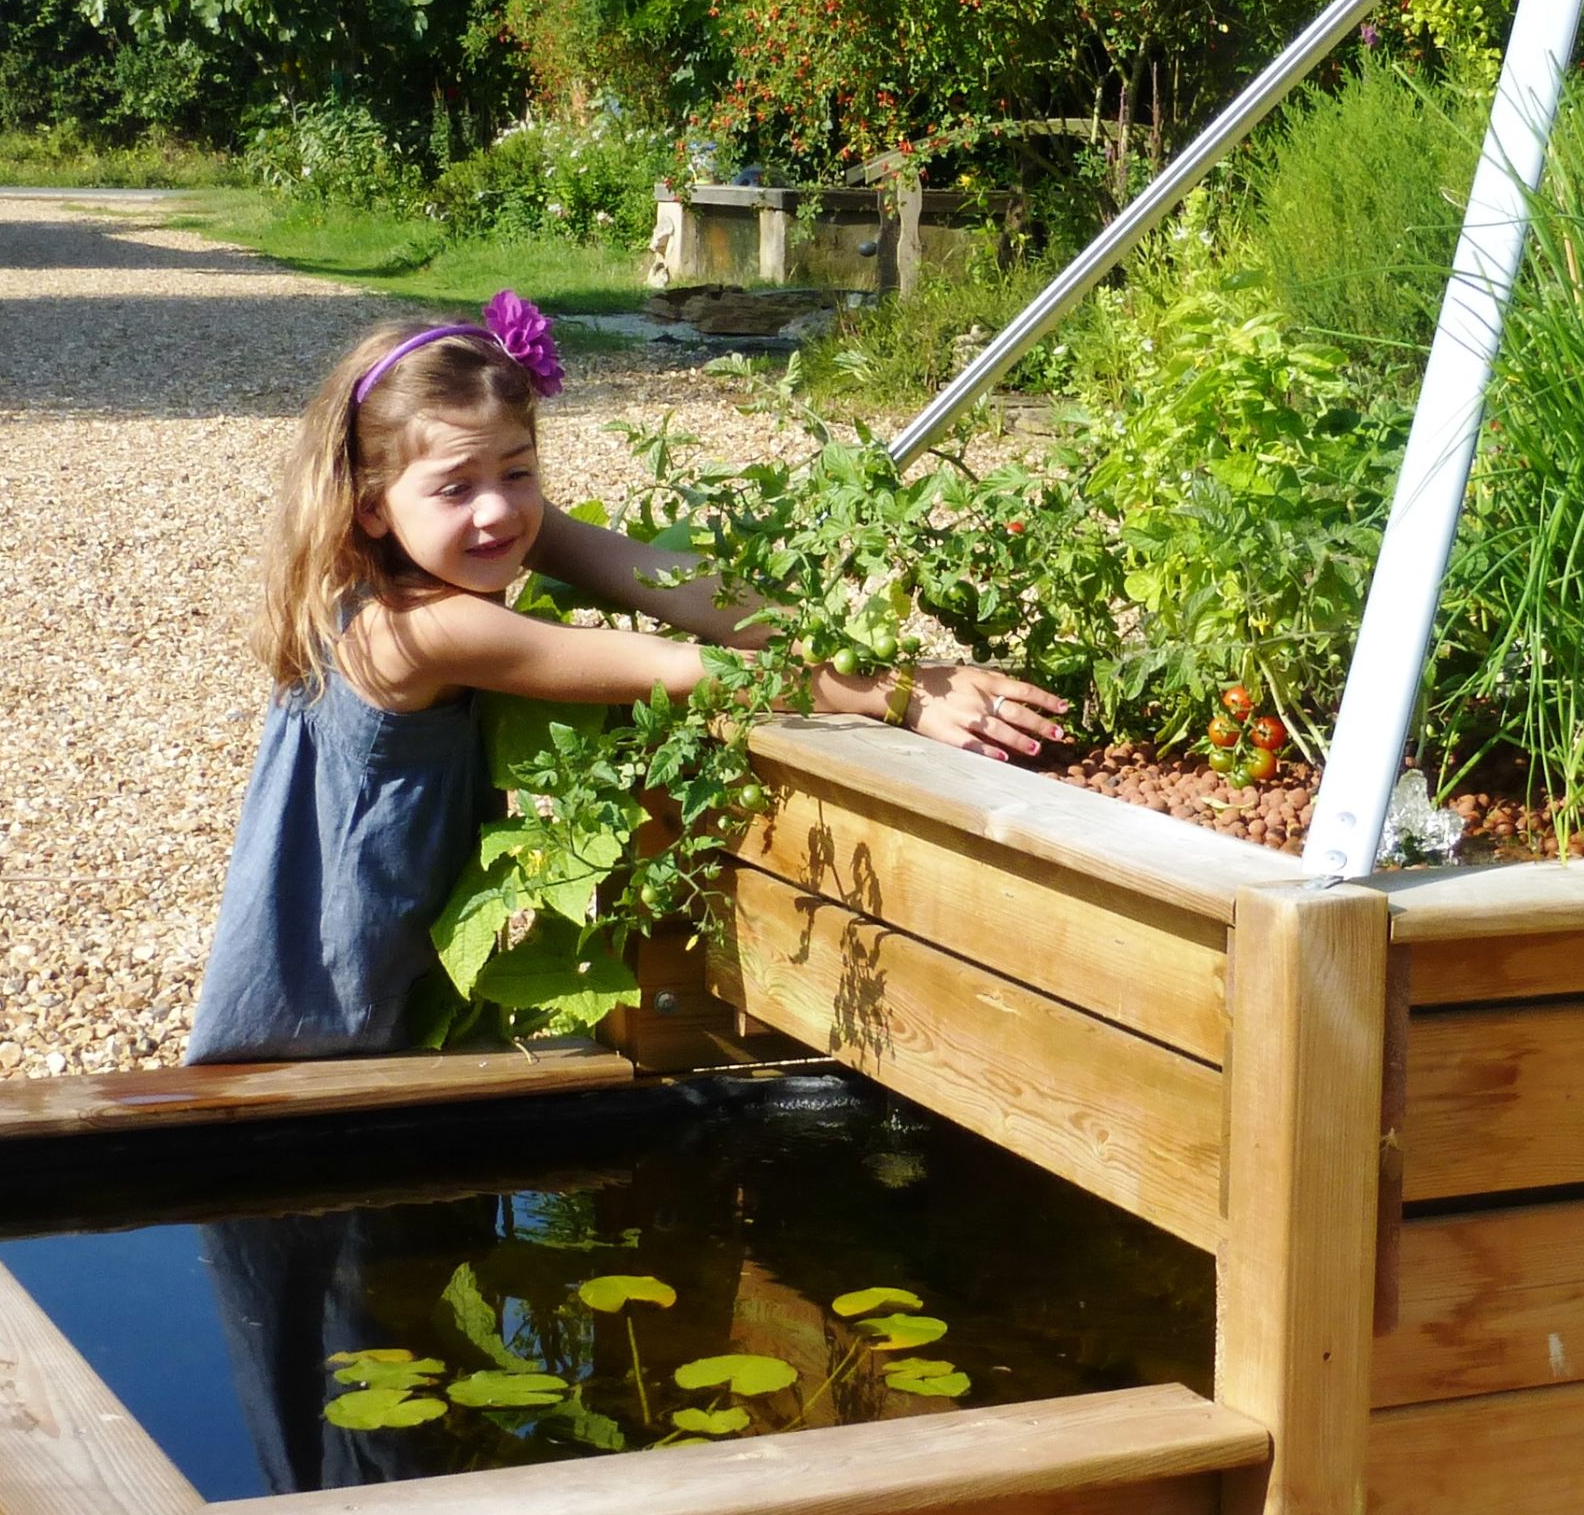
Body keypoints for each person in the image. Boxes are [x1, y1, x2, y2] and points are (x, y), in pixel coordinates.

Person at [188, 294, 1064, 1061]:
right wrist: (900, 693)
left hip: (364, 984)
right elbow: (681, 668)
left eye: (518, 471)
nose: (498, 509)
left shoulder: (384, 560)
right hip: (324, 1019)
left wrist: (849, 646)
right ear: (373, 503)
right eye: (455, 488)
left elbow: (662, 576)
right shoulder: (419, 631)